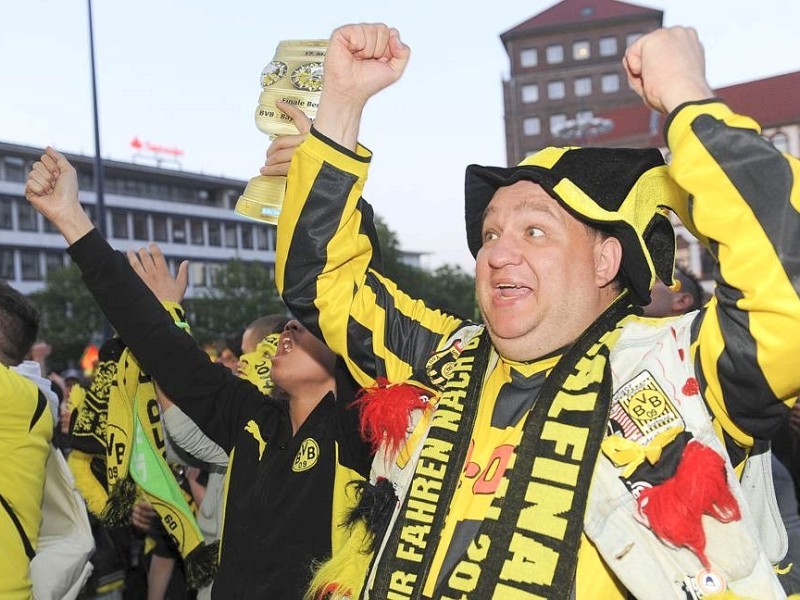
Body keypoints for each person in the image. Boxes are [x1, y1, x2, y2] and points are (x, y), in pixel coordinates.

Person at [270, 23, 800, 598]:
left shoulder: (682, 369)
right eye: (491, 232)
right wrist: (342, 105)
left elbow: (785, 294)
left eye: (534, 230)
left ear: (605, 261)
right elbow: (320, 283)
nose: (497, 252)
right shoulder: (441, 357)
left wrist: (688, 97)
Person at [24, 161, 373, 599]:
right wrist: (70, 218)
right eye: (286, 324)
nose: (290, 329)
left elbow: (351, 290)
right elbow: (156, 342)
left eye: (306, 325)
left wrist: (322, 169)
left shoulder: (356, 432)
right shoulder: (252, 422)